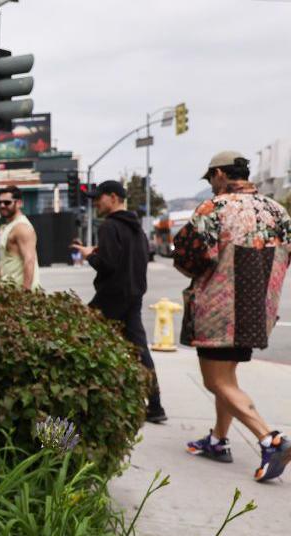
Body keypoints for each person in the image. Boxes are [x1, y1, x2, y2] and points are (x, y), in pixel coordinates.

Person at [174, 151, 291, 482]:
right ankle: (217, 440)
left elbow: (186, 257)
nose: (211, 185)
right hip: (257, 311)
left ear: (221, 174)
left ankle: (271, 439)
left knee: (214, 381)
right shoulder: (278, 211)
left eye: (211, 178)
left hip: (218, 310)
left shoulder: (214, 209)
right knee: (228, 379)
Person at [70, 180, 167, 424]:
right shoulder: (135, 226)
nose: (95, 203)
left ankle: (86, 406)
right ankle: (154, 405)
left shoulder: (110, 226)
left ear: (113, 197)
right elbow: (135, 257)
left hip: (110, 298)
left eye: (99, 198)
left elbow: (108, 263)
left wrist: (90, 254)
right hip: (133, 296)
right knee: (140, 351)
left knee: (79, 341)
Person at [0, 186, 40, 290]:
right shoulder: (9, 226)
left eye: (7, 202)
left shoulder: (22, 228)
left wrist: (25, 293)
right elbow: (4, 261)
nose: (2, 205)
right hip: (8, 292)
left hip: (18, 294)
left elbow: (29, 260)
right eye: (0, 202)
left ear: (19, 203)